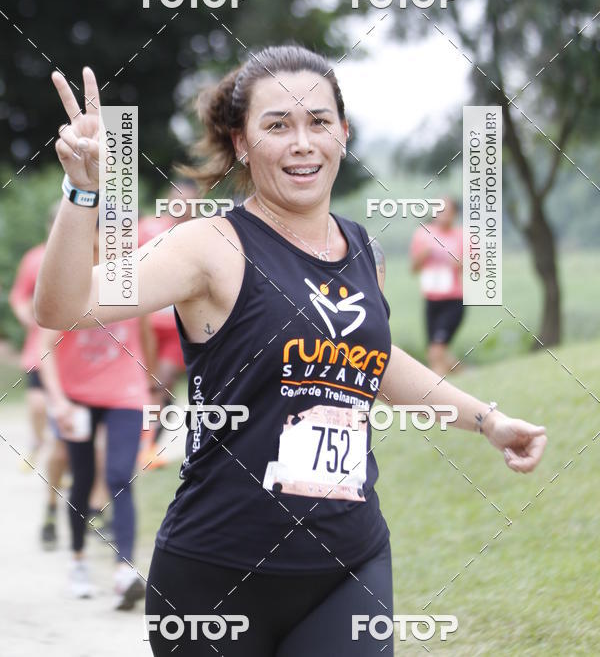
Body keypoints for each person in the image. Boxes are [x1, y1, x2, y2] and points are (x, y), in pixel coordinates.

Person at [34, 49, 547, 655]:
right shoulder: (209, 246)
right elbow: (63, 307)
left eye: (319, 122)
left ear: (343, 134)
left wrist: (486, 420)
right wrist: (83, 192)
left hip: (348, 563)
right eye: (277, 125)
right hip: (217, 574)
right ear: (243, 143)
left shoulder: (363, 250)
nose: (302, 142)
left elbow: (376, 363)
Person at [37, 221, 155, 609]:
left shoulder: (131, 283)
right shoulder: (68, 286)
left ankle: (124, 571)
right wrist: (59, 402)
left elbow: (147, 335)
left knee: (120, 475)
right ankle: (78, 561)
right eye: (98, 238)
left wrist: (150, 384)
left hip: (125, 393)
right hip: (77, 396)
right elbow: (44, 347)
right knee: (83, 478)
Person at [9, 204, 69, 548]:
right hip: (41, 349)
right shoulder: (35, 258)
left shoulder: (88, 257)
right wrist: (26, 316)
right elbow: (19, 296)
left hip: (75, 360)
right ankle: (37, 442)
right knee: (35, 405)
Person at [137, 181, 198, 469]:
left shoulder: (201, 234)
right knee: (141, 383)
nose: (182, 207)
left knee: (161, 383)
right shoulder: (146, 229)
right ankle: (135, 441)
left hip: (177, 325)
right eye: (178, 200)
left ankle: (147, 447)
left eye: (188, 202)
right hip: (143, 322)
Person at [410, 197, 465, 376]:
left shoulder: (462, 236)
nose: (441, 215)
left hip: (454, 300)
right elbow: (414, 268)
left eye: (446, 210)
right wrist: (424, 254)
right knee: (436, 352)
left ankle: (436, 393)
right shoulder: (423, 234)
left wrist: (459, 262)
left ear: (454, 214)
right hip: (431, 299)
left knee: (436, 352)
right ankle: (466, 375)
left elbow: (475, 269)